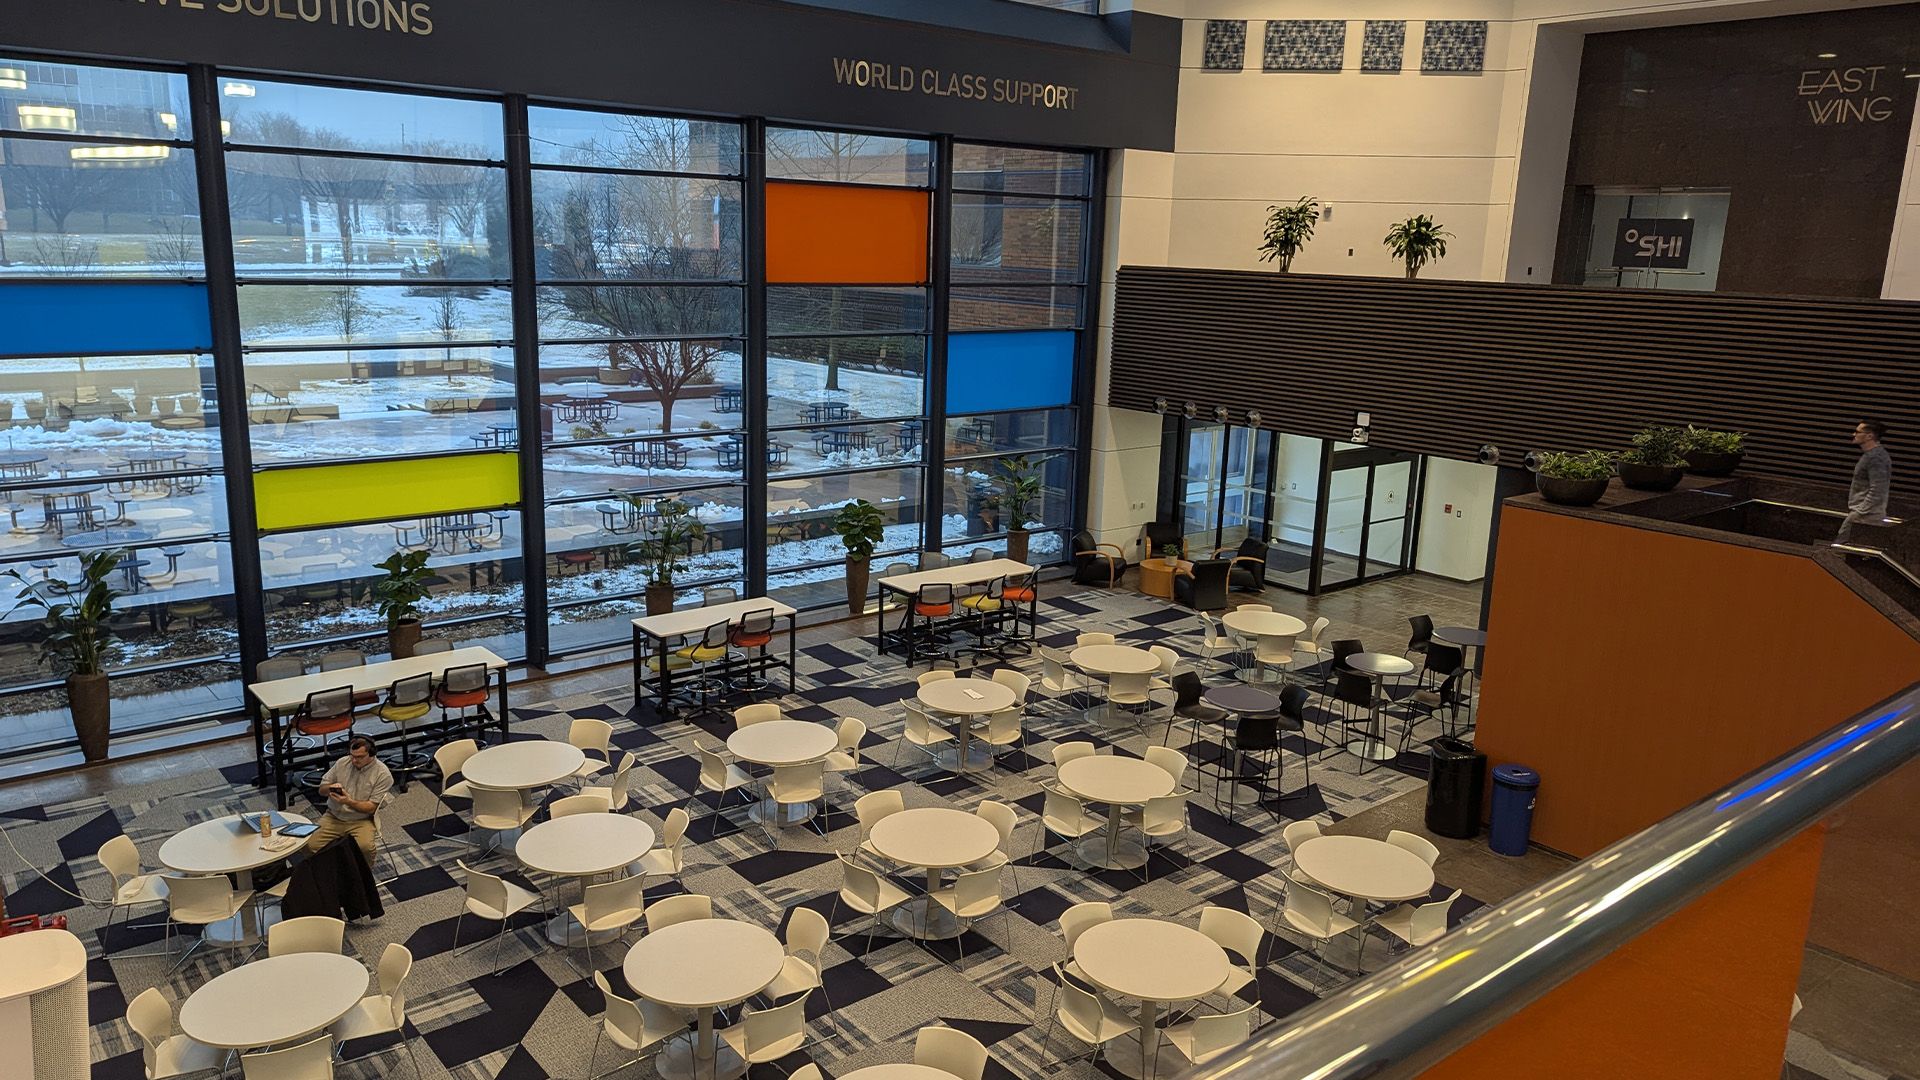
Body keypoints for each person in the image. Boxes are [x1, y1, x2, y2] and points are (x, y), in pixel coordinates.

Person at [305, 735, 394, 862]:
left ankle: (362, 873)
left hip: (361, 820)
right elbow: (321, 790)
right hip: (334, 816)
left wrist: (348, 801)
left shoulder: (383, 774)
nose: (354, 760)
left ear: (372, 754)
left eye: (359, 757)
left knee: (365, 848)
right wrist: (330, 788)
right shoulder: (342, 762)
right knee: (309, 845)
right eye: (352, 755)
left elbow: (371, 808)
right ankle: (331, 869)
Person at [1837, 420, 1892, 544]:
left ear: (1869, 436)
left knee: (1839, 548)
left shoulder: (1876, 457)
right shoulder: (1871, 456)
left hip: (1866, 515)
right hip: (1865, 514)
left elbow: (1878, 489)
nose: (1854, 434)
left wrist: (1860, 511)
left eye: (1857, 432)